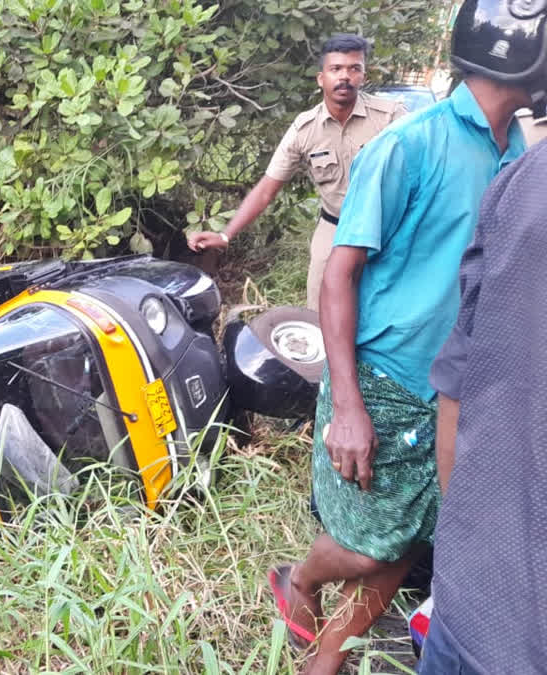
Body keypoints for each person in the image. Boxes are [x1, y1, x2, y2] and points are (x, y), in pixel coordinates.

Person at [266, 1, 540, 672]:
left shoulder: (514, 154)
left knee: (417, 534)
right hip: (385, 376)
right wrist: (349, 404)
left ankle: (327, 656)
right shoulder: (410, 144)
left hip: (449, 386)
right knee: (373, 543)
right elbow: (340, 274)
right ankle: (298, 579)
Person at [417, 3, 547, 672]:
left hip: (480, 607)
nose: (346, 78)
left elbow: (458, 382)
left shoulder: (519, 168)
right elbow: (342, 271)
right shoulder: (415, 141)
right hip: (489, 609)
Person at [187, 34, 405, 311]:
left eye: (354, 68)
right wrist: (226, 235)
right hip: (335, 228)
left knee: (389, 313)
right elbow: (267, 189)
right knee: (321, 314)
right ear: (320, 78)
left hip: (387, 230)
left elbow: (426, 174)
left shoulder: (391, 118)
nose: (345, 77)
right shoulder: (304, 129)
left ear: (363, 76)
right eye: (336, 69)